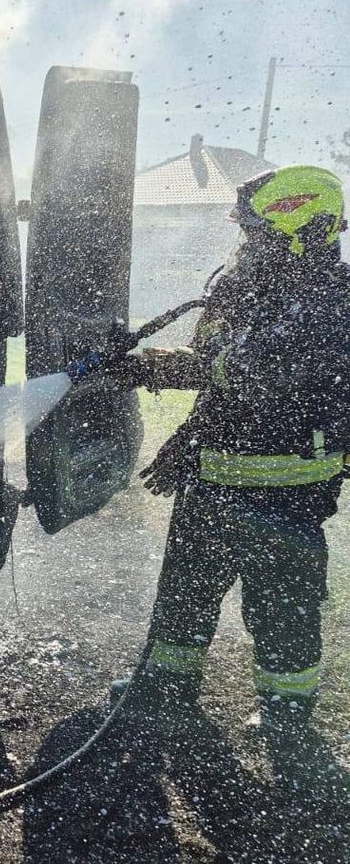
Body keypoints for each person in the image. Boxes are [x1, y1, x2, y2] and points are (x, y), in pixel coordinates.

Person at [109, 165, 349, 786]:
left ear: (300, 228)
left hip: (290, 500)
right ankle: (166, 690)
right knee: (184, 600)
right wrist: (151, 385)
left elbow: (256, 377)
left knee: (285, 618)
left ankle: (287, 722)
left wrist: (160, 377)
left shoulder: (332, 301)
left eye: (258, 232)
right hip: (213, 486)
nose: (245, 244)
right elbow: (216, 374)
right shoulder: (244, 290)